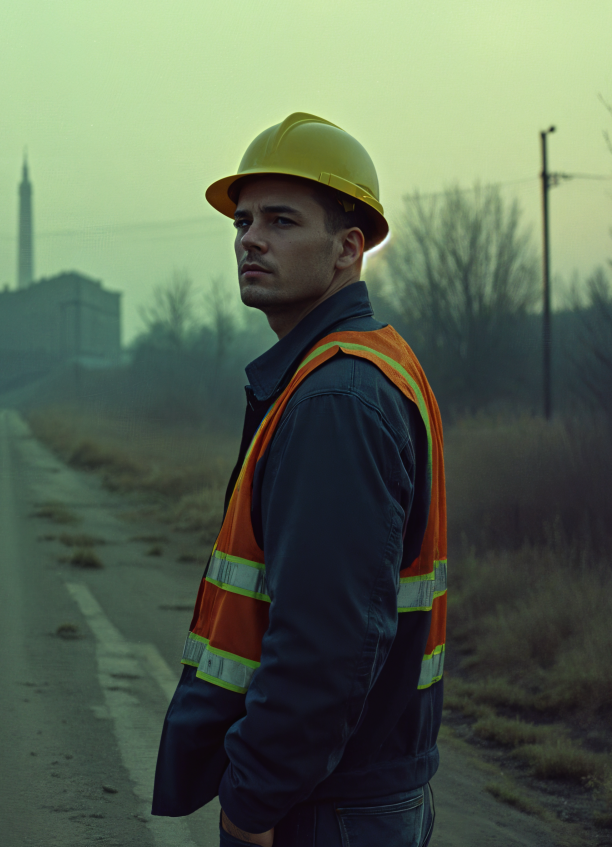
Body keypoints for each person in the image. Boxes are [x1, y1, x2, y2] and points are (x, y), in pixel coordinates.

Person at [152, 112, 448, 847]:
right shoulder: (360, 365)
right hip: (358, 789)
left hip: (326, 805)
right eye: (244, 220)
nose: (250, 238)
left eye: (282, 220)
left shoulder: (337, 398)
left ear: (350, 248)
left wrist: (251, 803)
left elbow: (328, 643)